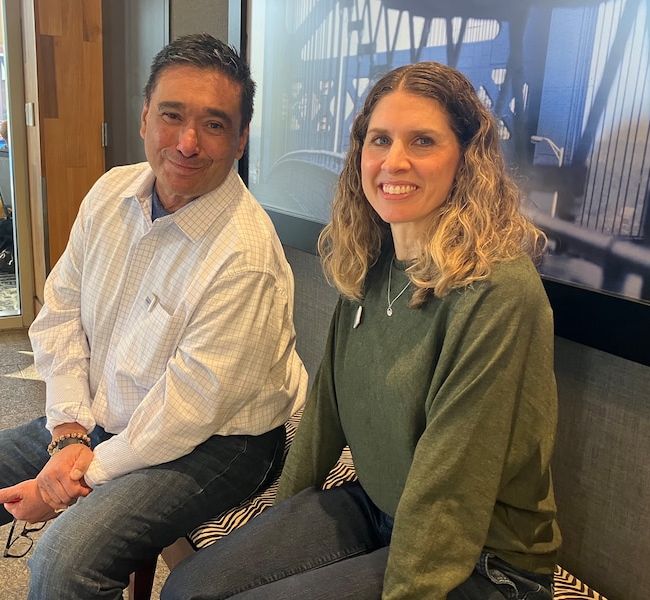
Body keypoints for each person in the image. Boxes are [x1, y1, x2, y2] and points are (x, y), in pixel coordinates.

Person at [0, 33, 307, 599]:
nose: (187, 143)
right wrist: (68, 432)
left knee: (66, 558)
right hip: (104, 413)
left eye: (214, 125)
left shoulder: (245, 257)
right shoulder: (111, 193)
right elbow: (60, 314)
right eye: (171, 116)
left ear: (240, 140)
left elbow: (186, 412)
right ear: (144, 119)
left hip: (222, 440)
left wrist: (71, 479)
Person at [160, 61, 561, 600]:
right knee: (189, 587)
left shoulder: (498, 294)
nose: (394, 161)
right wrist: (277, 534)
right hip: (376, 506)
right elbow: (324, 409)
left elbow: (450, 490)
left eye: (422, 141)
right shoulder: (375, 262)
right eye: (380, 140)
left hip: (481, 559)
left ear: (467, 158)